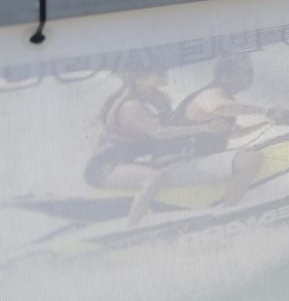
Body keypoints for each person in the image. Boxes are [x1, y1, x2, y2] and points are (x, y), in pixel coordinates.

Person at [84, 66, 259, 226]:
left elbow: (170, 129)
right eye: (159, 73)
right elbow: (159, 133)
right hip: (106, 166)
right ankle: (131, 226)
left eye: (164, 72)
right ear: (139, 78)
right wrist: (203, 128)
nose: (165, 76)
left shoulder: (160, 99)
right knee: (155, 178)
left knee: (161, 173)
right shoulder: (132, 106)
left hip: (132, 160)